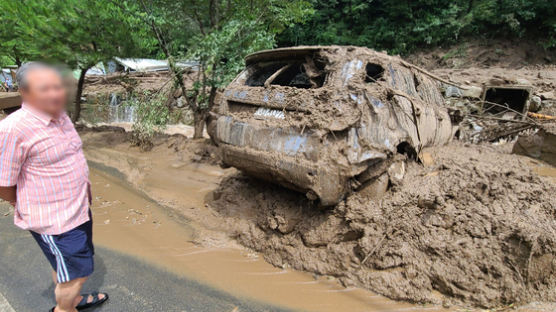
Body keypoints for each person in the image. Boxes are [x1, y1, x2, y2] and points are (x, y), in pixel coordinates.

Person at [0, 62, 108, 312]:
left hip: (78, 209)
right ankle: (64, 308)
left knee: (68, 267)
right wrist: (25, 205)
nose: (55, 94)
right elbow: (3, 183)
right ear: (25, 93)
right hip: (54, 220)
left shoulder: (59, 114)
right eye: (44, 89)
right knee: (76, 274)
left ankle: (73, 299)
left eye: (57, 87)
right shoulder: (12, 129)